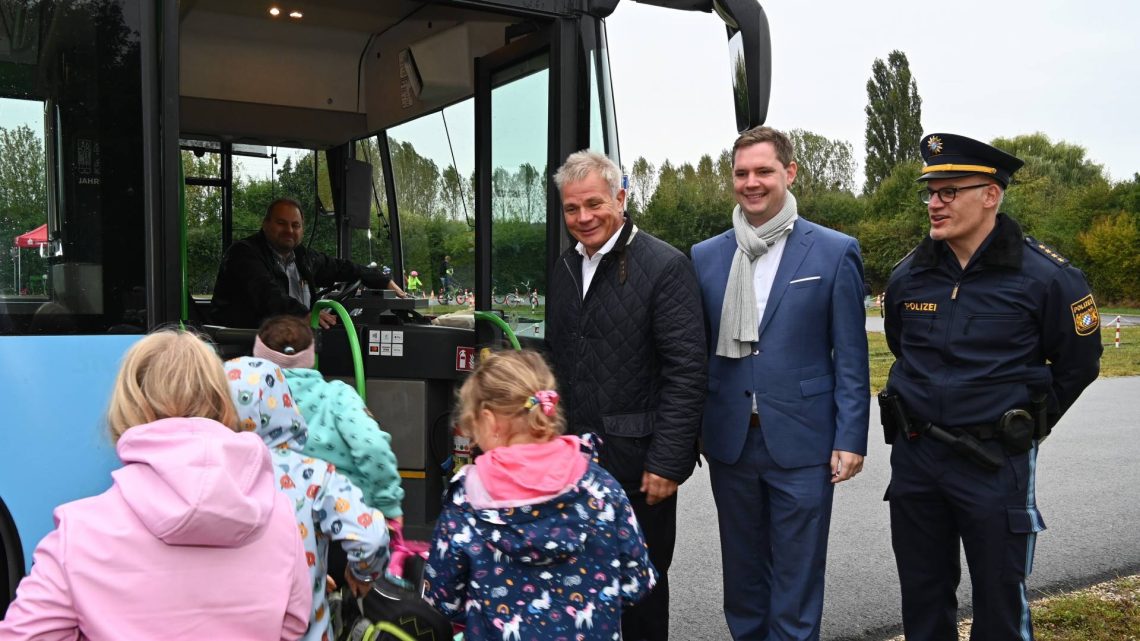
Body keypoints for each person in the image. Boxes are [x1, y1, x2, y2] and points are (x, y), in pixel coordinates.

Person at [882, 133, 1103, 640]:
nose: (934, 204)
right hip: (916, 459)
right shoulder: (909, 276)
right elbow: (902, 347)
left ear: (990, 195)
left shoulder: (1047, 277)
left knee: (1001, 602)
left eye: (949, 191)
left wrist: (1024, 423)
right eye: (930, 193)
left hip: (993, 462)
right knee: (922, 597)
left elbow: (1079, 363)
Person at [0, 329, 312, 640]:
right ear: (221, 402)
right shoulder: (279, 517)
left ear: (130, 405)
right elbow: (293, 625)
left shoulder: (78, 531)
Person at [690, 126, 870, 641]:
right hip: (730, 440)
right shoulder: (706, 256)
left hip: (805, 440)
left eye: (763, 171)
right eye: (742, 173)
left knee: (797, 576)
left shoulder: (834, 251)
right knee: (742, 577)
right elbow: (697, 353)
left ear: (789, 173)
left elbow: (852, 356)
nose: (752, 182)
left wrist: (850, 437)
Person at [545, 150, 706, 641]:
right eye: (572, 209)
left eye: (593, 204)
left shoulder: (666, 267)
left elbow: (687, 371)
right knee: (578, 588)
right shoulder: (565, 266)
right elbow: (558, 361)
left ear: (620, 196)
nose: (583, 218)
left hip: (638, 467)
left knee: (640, 594)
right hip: (574, 464)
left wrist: (669, 462)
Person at [422, 350, 657, 640]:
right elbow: (636, 582)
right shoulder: (602, 488)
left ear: (490, 421)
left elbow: (440, 597)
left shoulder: (467, 501)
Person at [225, 356, 390, 641]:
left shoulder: (205, 474)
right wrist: (360, 575)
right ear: (285, 403)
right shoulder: (313, 476)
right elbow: (371, 537)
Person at [254, 314, 404, 521]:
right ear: (312, 354)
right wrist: (387, 504)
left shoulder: (246, 400)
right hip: (343, 517)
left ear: (257, 355)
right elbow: (372, 447)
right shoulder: (338, 396)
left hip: (270, 516)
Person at [211, 197, 406, 329]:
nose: (289, 230)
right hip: (251, 345)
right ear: (266, 224)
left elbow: (340, 267)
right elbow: (266, 293)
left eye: (295, 225)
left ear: (302, 230)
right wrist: (303, 315)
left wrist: (380, 279)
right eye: (281, 223)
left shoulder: (303, 257)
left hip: (296, 342)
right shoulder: (244, 254)